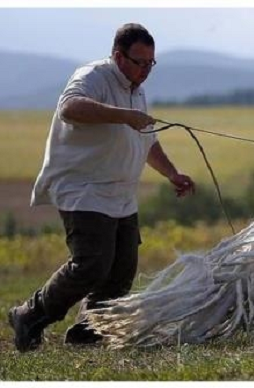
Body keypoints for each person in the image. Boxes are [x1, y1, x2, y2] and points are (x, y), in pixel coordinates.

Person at [7, 23, 196, 352]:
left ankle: (88, 331)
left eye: (151, 63)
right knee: (92, 263)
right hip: (83, 188)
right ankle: (29, 315)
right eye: (139, 62)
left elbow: (146, 142)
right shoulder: (93, 76)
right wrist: (124, 115)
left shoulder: (138, 89)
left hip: (121, 194)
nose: (145, 70)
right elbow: (70, 108)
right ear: (118, 56)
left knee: (122, 269)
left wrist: (172, 173)